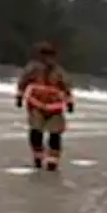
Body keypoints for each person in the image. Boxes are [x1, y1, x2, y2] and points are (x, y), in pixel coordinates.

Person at [15, 41, 74, 170]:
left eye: (50, 55)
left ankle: (53, 159)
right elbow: (23, 82)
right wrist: (19, 96)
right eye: (44, 55)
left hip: (55, 107)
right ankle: (38, 155)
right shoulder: (32, 69)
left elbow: (67, 87)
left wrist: (69, 102)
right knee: (36, 130)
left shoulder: (59, 72)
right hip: (36, 104)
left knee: (55, 133)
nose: (47, 58)